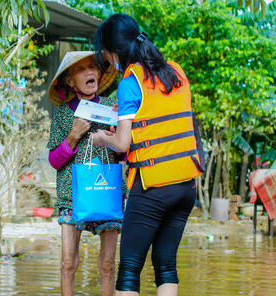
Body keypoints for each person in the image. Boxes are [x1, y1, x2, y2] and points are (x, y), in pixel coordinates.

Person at [92, 14, 205, 296]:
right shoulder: (175, 71)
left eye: (105, 54)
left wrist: (101, 139)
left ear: (114, 51)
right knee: (166, 265)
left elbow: (121, 142)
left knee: (129, 268)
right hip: (186, 186)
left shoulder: (131, 82)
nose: (106, 60)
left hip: (153, 187)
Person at [46, 51, 123, 296]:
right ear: (69, 81)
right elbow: (54, 161)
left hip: (106, 192)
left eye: (93, 67)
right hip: (71, 196)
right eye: (81, 69)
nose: (90, 72)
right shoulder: (63, 114)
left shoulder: (112, 109)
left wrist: (117, 133)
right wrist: (73, 135)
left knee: (109, 265)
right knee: (68, 263)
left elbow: (123, 154)